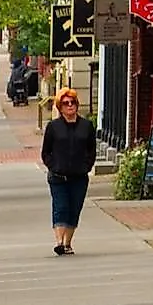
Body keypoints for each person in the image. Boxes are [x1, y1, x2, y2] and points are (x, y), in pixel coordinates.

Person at [40, 90, 97, 255]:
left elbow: (91, 150)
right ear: (60, 107)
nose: (70, 106)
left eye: (72, 102)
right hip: (58, 176)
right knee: (61, 207)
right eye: (66, 103)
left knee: (74, 208)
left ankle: (67, 243)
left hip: (79, 176)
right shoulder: (53, 127)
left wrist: (87, 166)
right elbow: (46, 152)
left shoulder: (86, 126)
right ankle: (59, 242)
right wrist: (53, 166)